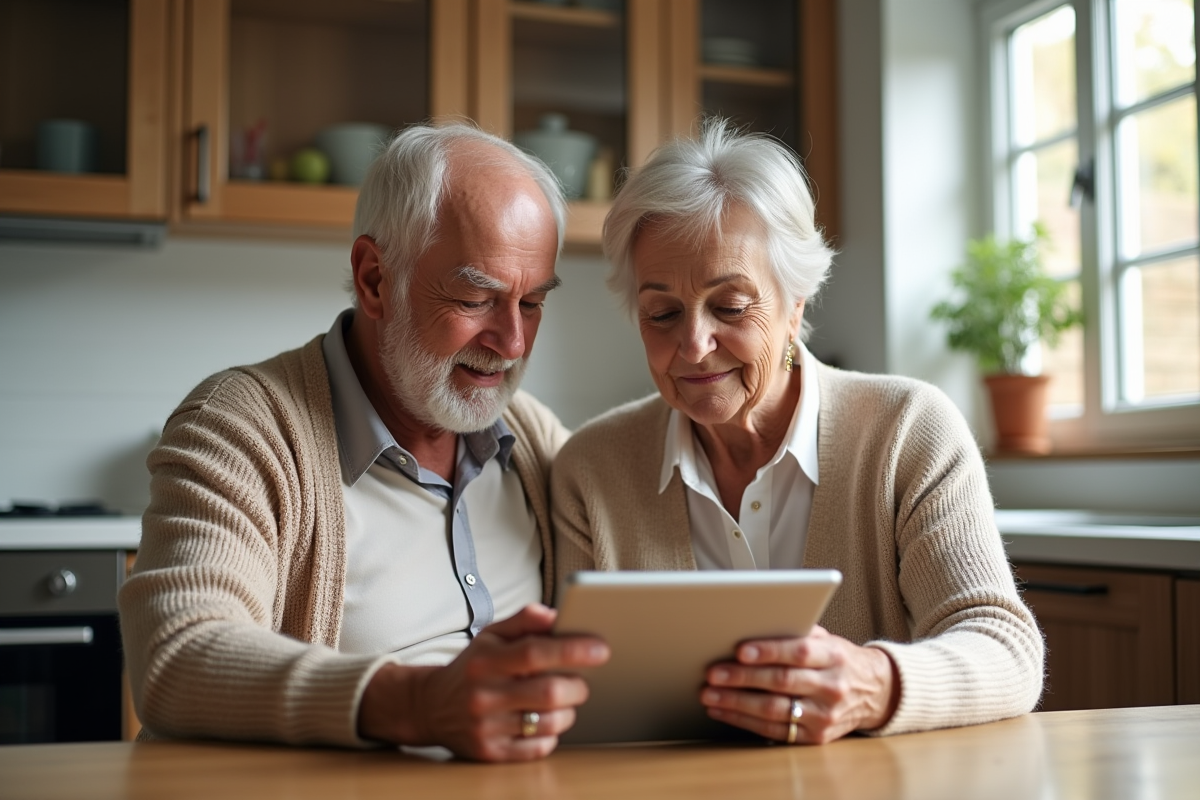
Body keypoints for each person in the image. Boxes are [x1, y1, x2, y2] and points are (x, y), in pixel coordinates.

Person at [119, 122, 609, 762]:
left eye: (533, 303)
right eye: (475, 297)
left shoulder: (534, 438)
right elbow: (177, 656)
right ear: (376, 279)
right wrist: (421, 704)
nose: (512, 343)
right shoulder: (243, 424)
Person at [552, 119, 1044, 745]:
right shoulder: (589, 470)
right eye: (662, 313)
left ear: (796, 305)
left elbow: (1007, 650)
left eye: (730, 307)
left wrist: (873, 682)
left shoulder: (909, 431)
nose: (694, 346)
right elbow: (575, 697)